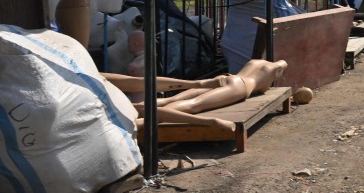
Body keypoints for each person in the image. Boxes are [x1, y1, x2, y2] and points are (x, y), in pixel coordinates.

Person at [102, 59, 288, 132]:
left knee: (175, 100)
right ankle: (142, 119)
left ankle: (140, 114)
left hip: (230, 78)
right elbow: (268, 82)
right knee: (193, 104)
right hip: (239, 85)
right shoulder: (271, 70)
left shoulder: (255, 63)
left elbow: (135, 82)